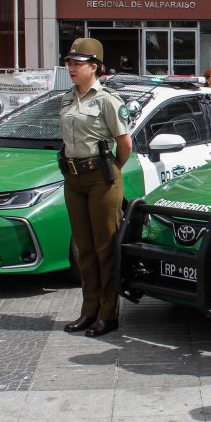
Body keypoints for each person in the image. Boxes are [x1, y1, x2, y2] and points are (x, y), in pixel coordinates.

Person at [58, 38, 132, 338]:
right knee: (83, 248)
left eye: (78, 63)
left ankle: (108, 312)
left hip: (101, 176)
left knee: (105, 247)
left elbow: (124, 144)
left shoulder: (108, 100)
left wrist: (111, 170)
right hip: (73, 177)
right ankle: (88, 310)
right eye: (69, 63)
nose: (72, 68)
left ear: (95, 67)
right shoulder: (66, 98)